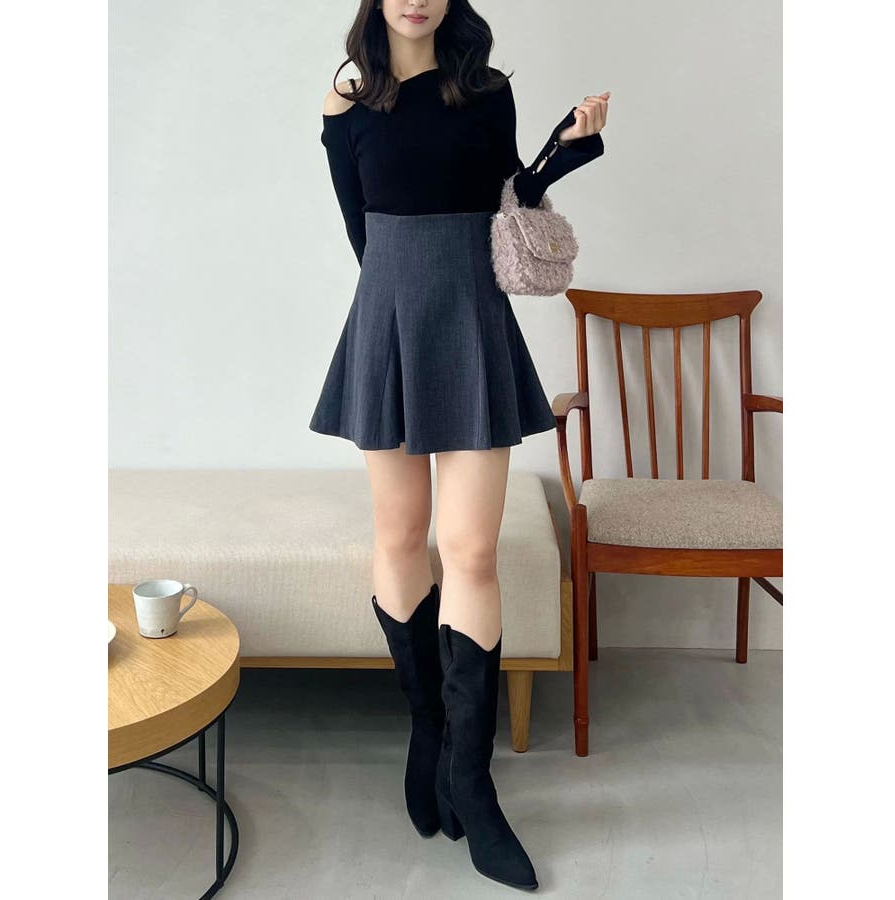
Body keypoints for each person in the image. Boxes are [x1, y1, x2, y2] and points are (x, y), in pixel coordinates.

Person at [308, 0, 609, 891]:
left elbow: (511, 199)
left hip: (473, 317)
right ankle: (429, 733)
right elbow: (359, 231)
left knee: (471, 549)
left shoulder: (484, 91)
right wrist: (403, 294)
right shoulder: (346, 101)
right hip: (389, 317)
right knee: (401, 536)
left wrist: (565, 148)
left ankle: (473, 786)